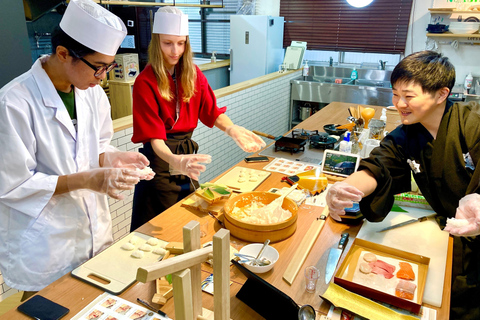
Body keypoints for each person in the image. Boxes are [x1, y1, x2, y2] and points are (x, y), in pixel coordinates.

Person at [0, 0, 153, 299]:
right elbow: (13, 183)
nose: (103, 77)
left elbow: (89, 150)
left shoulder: (92, 95)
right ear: (62, 54)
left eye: (108, 67)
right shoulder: (14, 103)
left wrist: (113, 158)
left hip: (91, 231)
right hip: (45, 242)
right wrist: (88, 180)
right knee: (46, 308)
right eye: (98, 67)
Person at [325, 50, 480, 319]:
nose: (399, 103)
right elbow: (378, 166)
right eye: (395, 94)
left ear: (442, 94)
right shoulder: (407, 134)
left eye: (408, 96)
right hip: (453, 235)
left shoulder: (472, 123)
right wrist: (346, 188)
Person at [130, 7, 265, 231]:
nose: (175, 50)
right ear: (156, 43)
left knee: (189, 217)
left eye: (181, 43)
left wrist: (232, 129)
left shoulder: (192, 73)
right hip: (160, 161)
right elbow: (155, 139)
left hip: (186, 158)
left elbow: (211, 111)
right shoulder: (145, 82)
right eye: (168, 43)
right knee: (161, 226)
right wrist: (174, 160)